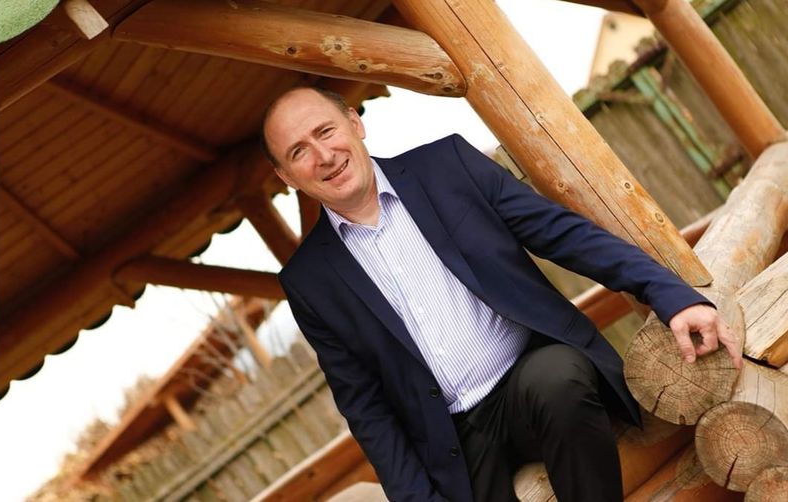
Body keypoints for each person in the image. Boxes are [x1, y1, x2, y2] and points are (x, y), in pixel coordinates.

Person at [261, 87, 741, 502]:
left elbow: (564, 235)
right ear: (286, 176)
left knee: (559, 376)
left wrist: (669, 293)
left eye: (326, 131)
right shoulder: (308, 281)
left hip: (533, 383)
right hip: (455, 442)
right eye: (299, 151)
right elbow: (364, 406)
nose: (323, 155)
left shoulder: (447, 166)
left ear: (354, 123)